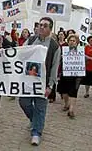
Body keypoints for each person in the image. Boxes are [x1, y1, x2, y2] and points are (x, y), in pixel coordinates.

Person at [19, 17, 60, 146]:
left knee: (40, 108)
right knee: (23, 102)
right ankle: (34, 120)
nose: (41, 27)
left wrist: (51, 85)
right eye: (40, 25)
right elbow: (20, 54)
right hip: (28, 80)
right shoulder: (30, 40)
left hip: (43, 82)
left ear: (50, 29)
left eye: (45, 25)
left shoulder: (54, 46)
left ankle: (36, 133)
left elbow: (54, 66)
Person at [60, 34, 82, 119]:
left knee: (73, 91)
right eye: (70, 40)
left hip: (76, 75)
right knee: (64, 92)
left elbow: (85, 60)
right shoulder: (63, 51)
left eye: (74, 41)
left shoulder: (80, 51)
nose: (72, 42)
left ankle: (71, 110)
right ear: (68, 42)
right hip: (65, 74)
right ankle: (66, 104)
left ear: (77, 43)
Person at [48, 30, 68, 103]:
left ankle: (62, 92)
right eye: (59, 34)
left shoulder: (66, 44)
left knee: (61, 79)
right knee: (53, 78)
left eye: (62, 34)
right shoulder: (53, 44)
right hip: (54, 62)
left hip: (62, 63)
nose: (60, 36)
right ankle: (52, 96)